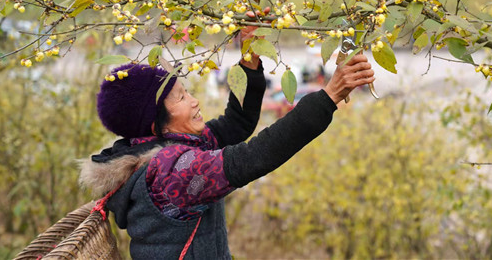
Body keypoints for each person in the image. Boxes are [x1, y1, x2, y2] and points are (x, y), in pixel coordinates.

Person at [79, 29, 375, 259]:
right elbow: (253, 158)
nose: (194, 101)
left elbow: (237, 123)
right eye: (181, 98)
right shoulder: (172, 171)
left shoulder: (165, 147)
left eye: (187, 91)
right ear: (155, 123)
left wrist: (249, 56)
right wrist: (329, 96)